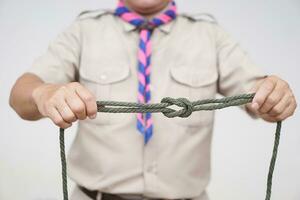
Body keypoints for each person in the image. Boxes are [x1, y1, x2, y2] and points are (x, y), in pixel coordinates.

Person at [9, 0, 297, 200]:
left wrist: (271, 95)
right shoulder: (84, 31)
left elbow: (256, 92)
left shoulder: (210, 35)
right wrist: (44, 93)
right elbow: (21, 93)